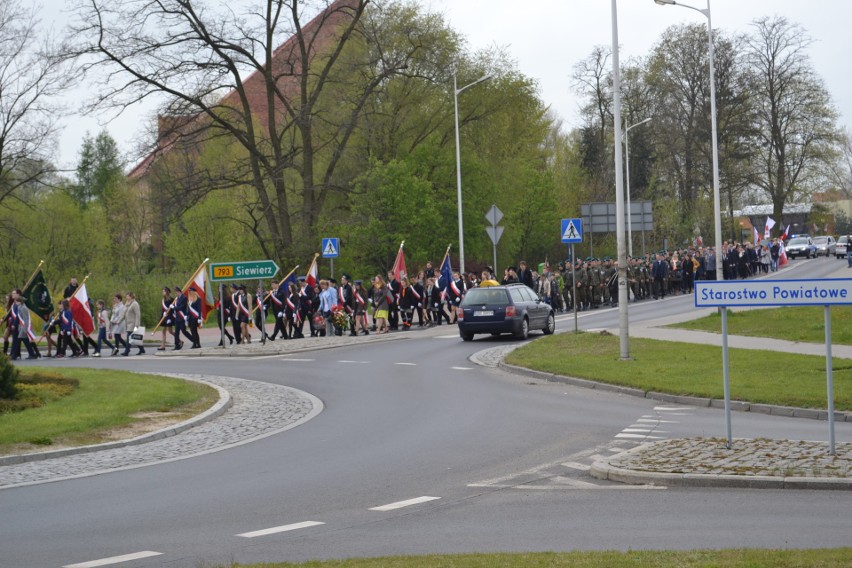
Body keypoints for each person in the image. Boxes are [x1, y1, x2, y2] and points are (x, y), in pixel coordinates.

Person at [122, 292, 145, 356]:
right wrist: (126, 305)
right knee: (134, 338)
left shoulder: (135, 304)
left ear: (131, 296)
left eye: (128, 296)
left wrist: (137, 325)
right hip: (128, 323)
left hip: (133, 323)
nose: (126, 297)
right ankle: (142, 349)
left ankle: (126, 351)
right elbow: (124, 313)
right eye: (126, 296)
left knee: (129, 338)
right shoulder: (127, 304)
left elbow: (138, 315)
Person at [172, 286, 189, 350]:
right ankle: (177, 345)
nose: (175, 293)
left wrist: (174, 308)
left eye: (176, 292)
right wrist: (171, 309)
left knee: (184, 331)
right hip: (177, 318)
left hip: (182, 317)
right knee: (176, 332)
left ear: (179, 291)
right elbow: (175, 307)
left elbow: (181, 307)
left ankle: (194, 340)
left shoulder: (184, 298)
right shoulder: (177, 298)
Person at [159, 287, 174, 351]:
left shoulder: (171, 299)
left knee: (170, 331)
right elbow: (163, 309)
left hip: (169, 318)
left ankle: (179, 340)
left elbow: (172, 309)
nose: (163, 293)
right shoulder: (163, 299)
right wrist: (162, 315)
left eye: (164, 291)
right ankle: (163, 345)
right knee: (163, 331)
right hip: (164, 317)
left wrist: (168, 317)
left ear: (167, 292)